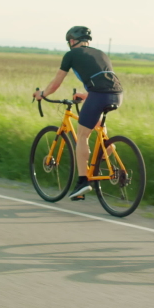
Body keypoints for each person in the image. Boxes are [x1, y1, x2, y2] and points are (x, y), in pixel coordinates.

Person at [33, 26, 123, 200]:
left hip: (99, 95)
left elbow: (55, 83)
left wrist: (42, 94)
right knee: (98, 125)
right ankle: (106, 150)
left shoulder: (71, 55)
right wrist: (85, 95)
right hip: (117, 95)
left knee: (82, 135)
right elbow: (105, 82)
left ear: (72, 41)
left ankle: (83, 182)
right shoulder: (101, 53)